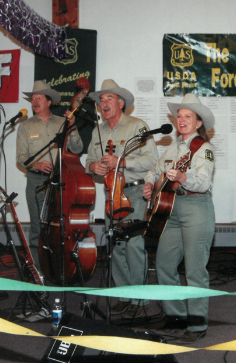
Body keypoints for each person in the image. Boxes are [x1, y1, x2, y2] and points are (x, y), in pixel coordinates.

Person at [143, 94, 216, 344]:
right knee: (164, 264)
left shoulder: (203, 149)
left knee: (195, 270)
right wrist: (150, 184)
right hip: (170, 210)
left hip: (196, 208)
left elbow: (204, 183)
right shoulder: (172, 148)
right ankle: (175, 317)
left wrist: (185, 179)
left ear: (198, 124)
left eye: (188, 116)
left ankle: (197, 324)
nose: (182, 120)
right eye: (180, 115)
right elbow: (154, 170)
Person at [85, 79, 159, 320]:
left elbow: (152, 161)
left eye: (109, 99)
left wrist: (122, 162)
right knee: (115, 245)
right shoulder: (99, 130)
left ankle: (139, 299)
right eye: (101, 100)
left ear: (121, 103)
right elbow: (89, 163)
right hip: (111, 196)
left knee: (134, 246)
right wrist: (94, 166)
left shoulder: (137, 126)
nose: (103, 103)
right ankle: (124, 296)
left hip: (135, 192)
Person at [16, 81, 83, 272]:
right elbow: (20, 158)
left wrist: (73, 127)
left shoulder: (62, 122)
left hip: (61, 181)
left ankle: (60, 267)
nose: (34, 102)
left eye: (39, 98)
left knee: (60, 227)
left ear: (49, 101)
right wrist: (35, 164)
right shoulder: (25, 127)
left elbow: (77, 149)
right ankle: (38, 270)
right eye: (33, 98)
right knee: (38, 227)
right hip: (36, 181)